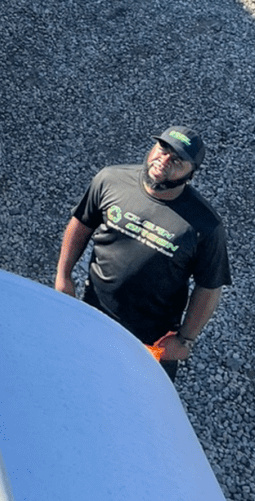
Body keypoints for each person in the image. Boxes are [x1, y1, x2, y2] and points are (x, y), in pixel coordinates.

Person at [54, 125, 230, 379]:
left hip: (151, 342)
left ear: (191, 174)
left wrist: (184, 340)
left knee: (133, 404)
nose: (164, 160)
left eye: (177, 159)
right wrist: (63, 276)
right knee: (76, 378)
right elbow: (81, 223)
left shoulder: (205, 226)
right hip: (92, 314)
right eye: (162, 149)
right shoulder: (111, 180)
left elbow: (210, 286)